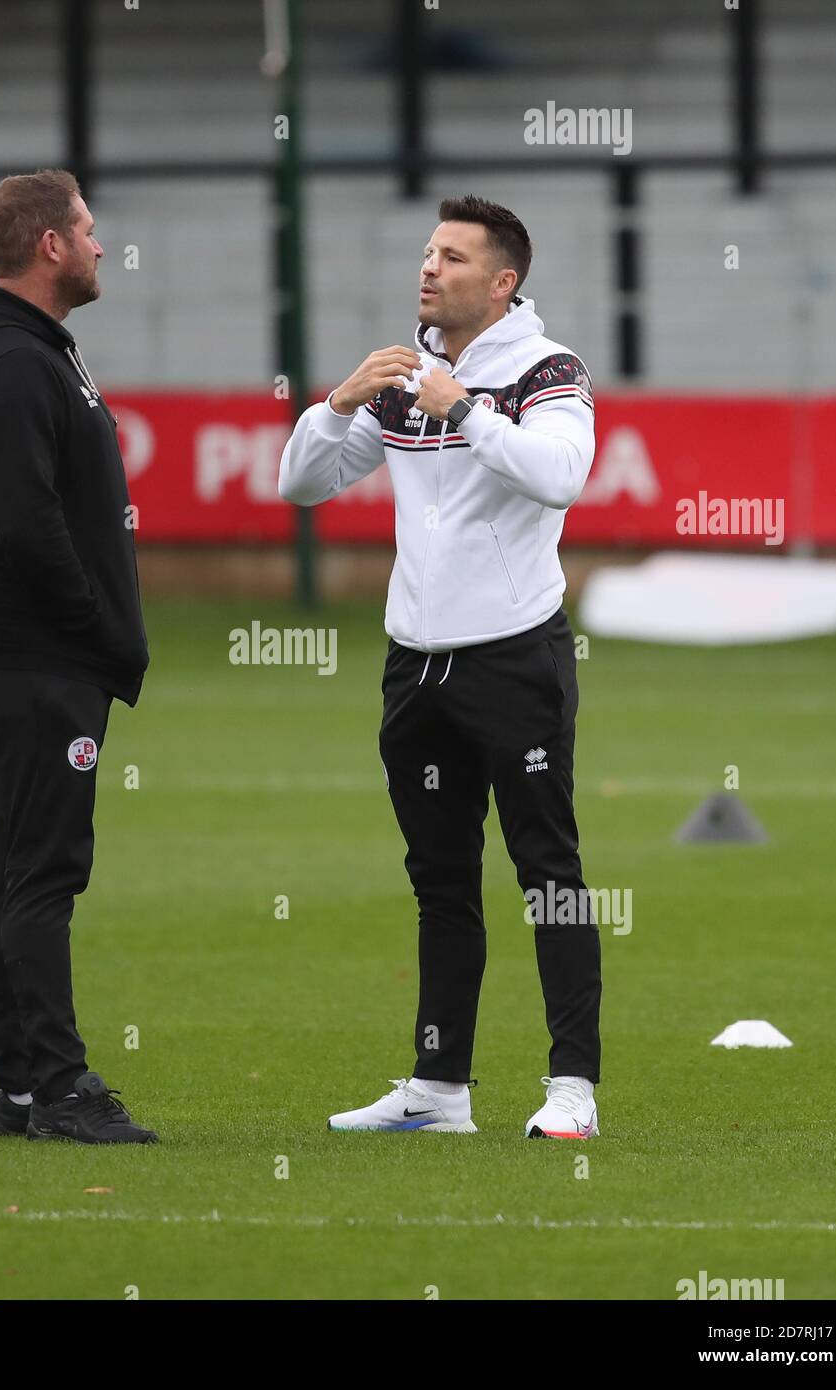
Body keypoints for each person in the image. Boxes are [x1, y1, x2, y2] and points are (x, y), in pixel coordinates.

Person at [278, 196, 601, 1139]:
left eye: (453, 257)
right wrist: (337, 403)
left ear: (503, 284)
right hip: (414, 668)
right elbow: (302, 484)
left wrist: (464, 410)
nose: (430, 269)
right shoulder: (401, 374)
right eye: (427, 253)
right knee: (440, 879)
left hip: (515, 660)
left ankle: (571, 1088)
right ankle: (438, 1090)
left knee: (548, 871)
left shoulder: (550, 370)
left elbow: (562, 475)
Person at [0, 168, 156, 1145]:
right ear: (51, 246)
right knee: (44, 872)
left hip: (30, 648)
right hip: (32, 652)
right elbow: (26, 527)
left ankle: (18, 1086)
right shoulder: (17, 364)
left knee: (19, 864)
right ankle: (58, 1088)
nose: (102, 246)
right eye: (89, 230)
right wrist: (96, 626)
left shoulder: (25, 353)